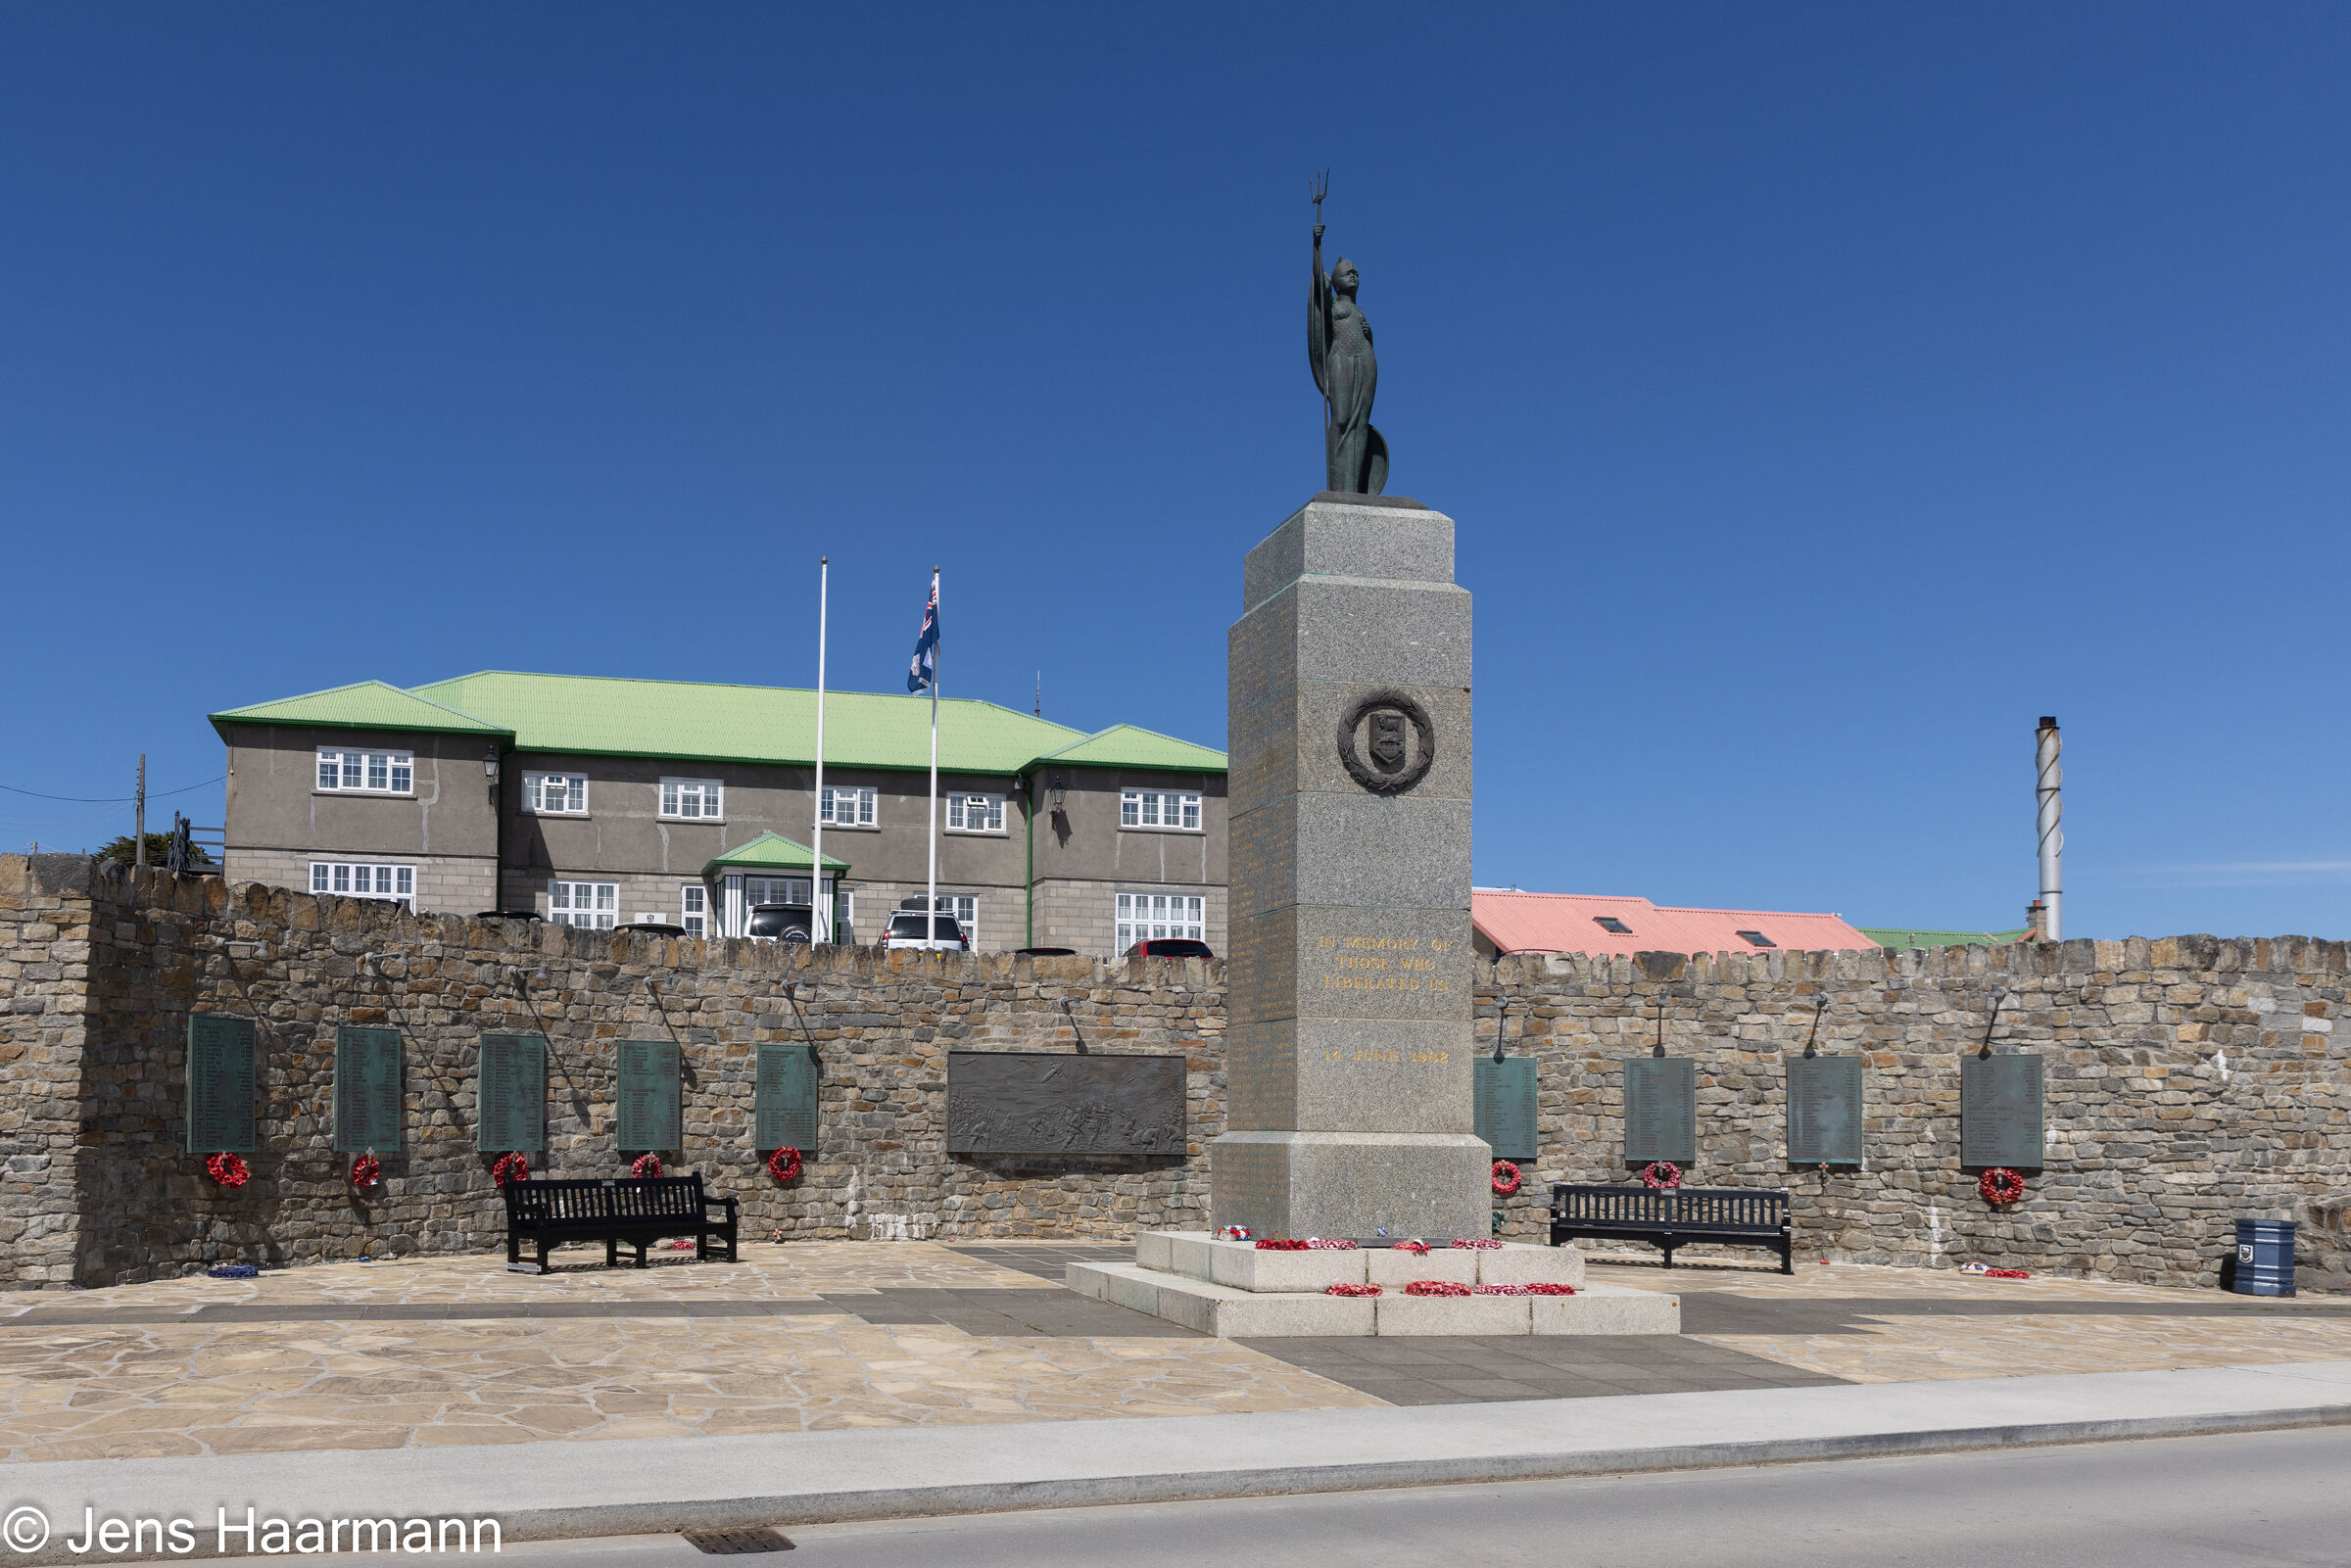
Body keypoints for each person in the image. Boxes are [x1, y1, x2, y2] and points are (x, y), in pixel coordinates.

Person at [1308, 222, 1388, 495]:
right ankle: (1339, 487)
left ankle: (1355, 490)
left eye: (1355, 272)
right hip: (1341, 357)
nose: (1352, 275)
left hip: (1365, 360)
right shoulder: (1332, 304)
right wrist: (1316, 246)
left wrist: (1370, 334)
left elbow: (1367, 339)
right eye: (1346, 272)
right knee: (1341, 420)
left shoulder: (1359, 311)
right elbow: (1319, 283)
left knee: (1360, 424)